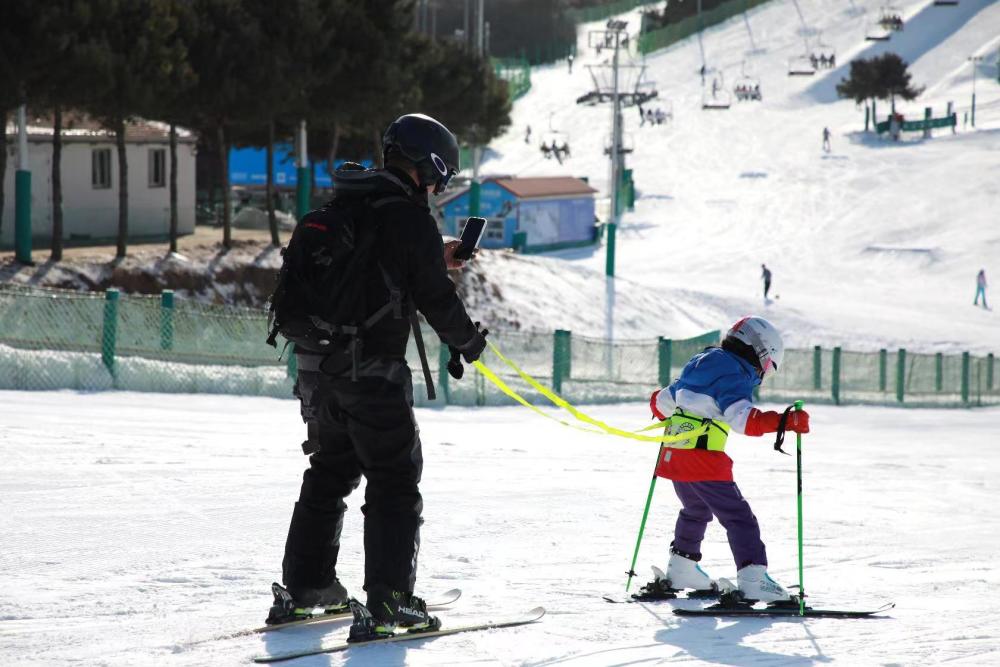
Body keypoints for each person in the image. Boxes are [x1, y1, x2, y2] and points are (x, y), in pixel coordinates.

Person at [264, 113, 488, 639]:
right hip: (371, 371)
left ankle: (307, 591)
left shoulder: (348, 203)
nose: (437, 188)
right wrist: (468, 342)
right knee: (394, 478)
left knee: (330, 470)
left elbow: (376, 268)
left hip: (317, 367)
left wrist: (435, 256)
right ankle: (390, 604)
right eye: (440, 177)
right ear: (428, 166)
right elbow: (433, 295)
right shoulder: (407, 218)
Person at [642, 317, 811, 602]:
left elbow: (662, 403)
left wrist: (660, 403)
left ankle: (682, 566)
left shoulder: (702, 361)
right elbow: (744, 421)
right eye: (765, 367)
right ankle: (753, 578)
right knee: (739, 519)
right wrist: (785, 421)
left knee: (695, 509)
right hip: (704, 461)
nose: (760, 375)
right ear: (760, 352)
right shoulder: (734, 373)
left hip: (674, 458)